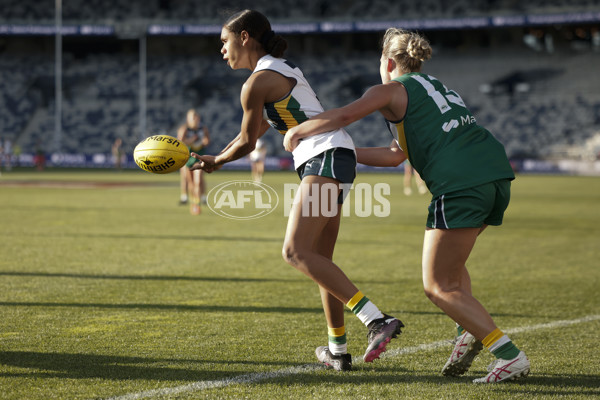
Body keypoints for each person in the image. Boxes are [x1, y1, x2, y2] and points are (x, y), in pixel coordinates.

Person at [284, 28, 530, 383]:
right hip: (494, 174)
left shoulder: (390, 90)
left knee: (437, 286)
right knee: (453, 269)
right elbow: (396, 155)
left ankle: (508, 355)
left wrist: (300, 131)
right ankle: (469, 330)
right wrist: (345, 154)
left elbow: (342, 116)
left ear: (387, 62)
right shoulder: (438, 87)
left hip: (459, 182)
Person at [190, 9, 403, 371]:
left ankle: (376, 320)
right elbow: (255, 133)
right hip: (335, 159)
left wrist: (218, 161)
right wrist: (219, 156)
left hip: (325, 159)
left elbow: (245, 141)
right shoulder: (279, 69)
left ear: (245, 37)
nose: (221, 50)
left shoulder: (256, 82)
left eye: (224, 42)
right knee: (320, 260)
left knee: (294, 251)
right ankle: (337, 349)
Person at [177, 109, 210, 215]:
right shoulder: (184, 129)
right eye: (193, 118)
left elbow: (207, 141)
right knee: (190, 183)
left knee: (198, 181)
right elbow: (179, 143)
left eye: (197, 118)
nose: (195, 120)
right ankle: (194, 201)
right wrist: (190, 140)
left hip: (199, 157)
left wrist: (205, 142)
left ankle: (198, 203)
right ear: (188, 119)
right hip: (187, 158)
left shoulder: (203, 129)